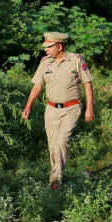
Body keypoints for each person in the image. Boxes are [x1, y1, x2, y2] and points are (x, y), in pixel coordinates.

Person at [21, 32, 95, 188]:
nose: (46, 49)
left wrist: (89, 108)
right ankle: (56, 178)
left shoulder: (76, 60)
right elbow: (37, 86)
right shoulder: (45, 62)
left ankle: (55, 182)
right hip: (51, 110)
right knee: (53, 146)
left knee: (61, 142)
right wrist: (28, 106)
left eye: (49, 46)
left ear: (59, 46)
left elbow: (87, 84)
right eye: (45, 46)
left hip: (71, 108)